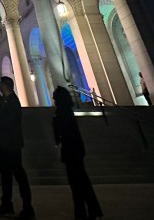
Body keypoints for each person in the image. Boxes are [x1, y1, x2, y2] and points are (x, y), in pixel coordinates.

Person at [52, 86, 103, 220]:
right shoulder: (68, 112)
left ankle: (82, 212)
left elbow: (61, 133)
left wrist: (58, 142)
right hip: (76, 150)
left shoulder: (61, 113)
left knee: (76, 184)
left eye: (54, 96)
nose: (53, 99)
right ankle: (92, 210)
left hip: (70, 151)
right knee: (83, 182)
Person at [0, 76, 35, 219]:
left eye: (0, 86)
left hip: (12, 146)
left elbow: (11, 123)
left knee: (19, 176)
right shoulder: (8, 100)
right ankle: (7, 205)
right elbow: (1, 102)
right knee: (6, 176)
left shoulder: (14, 102)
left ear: (5, 86)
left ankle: (28, 208)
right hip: (4, 145)